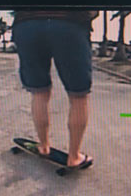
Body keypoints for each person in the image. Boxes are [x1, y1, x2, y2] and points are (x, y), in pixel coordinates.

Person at [10, 9, 95, 168]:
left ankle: (44, 146)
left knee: (39, 93)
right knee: (78, 96)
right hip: (69, 23)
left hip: (27, 24)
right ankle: (74, 157)